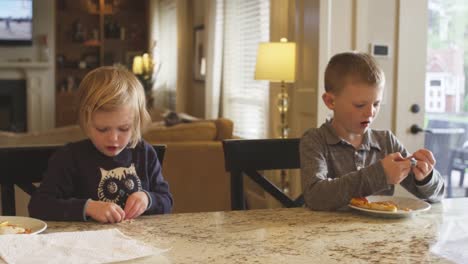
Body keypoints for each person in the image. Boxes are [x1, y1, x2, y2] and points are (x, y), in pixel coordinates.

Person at [300, 52, 445, 211]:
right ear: (330, 101)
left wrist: (425, 177)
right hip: (328, 232)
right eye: (360, 105)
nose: (370, 113)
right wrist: (380, 175)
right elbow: (315, 197)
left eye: (376, 104)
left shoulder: (386, 142)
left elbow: (437, 195)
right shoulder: (315, 140)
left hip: (380, 233)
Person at [29, 66, 173, 222]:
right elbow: (38, 206)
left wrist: (147, 199)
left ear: (137, 123)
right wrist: (88, 207)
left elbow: (166, 201)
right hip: (84, 243)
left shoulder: (145, 153)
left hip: (137, 242)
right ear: (86, 122)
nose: (113, 138)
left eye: (124, 129)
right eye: (102, 129)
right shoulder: (70, 158)